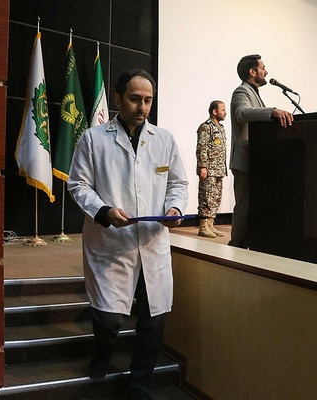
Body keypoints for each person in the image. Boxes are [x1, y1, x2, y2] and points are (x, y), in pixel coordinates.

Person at [67, 69, 189, 400]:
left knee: (154, 320)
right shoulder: (94, 139)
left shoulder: (164, 139)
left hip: (152, 242)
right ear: (119, 99)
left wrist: (174, 208)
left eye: (148, 100)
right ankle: (102, 353)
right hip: (111, 243)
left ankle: (140, 385)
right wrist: (104, 211)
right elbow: (78, 184)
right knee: (109, 318)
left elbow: (178, 183)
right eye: (135, 99)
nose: (142, 107)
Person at [228, 54, 293, 248]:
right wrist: (272, 111)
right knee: (244, 205)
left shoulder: (254, 92)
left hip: (257, 159)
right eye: (263, 68)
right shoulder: (242, 91)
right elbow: (241, 113)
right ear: (252, 71)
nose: (266, 71)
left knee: (255, 205)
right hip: (245, 159)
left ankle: (251, 243)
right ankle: (236, 246)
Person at [196, 100, 227, 238]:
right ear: (214, 111)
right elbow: (201, 148)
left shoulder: (221, 128)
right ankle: (203, 227)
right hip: (208, 169)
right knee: (206, 197)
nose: (225, 112)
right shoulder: (206, 127)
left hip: (218, 169)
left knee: (216, 198)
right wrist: (203, 166)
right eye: (222, 110)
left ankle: (210, 225)